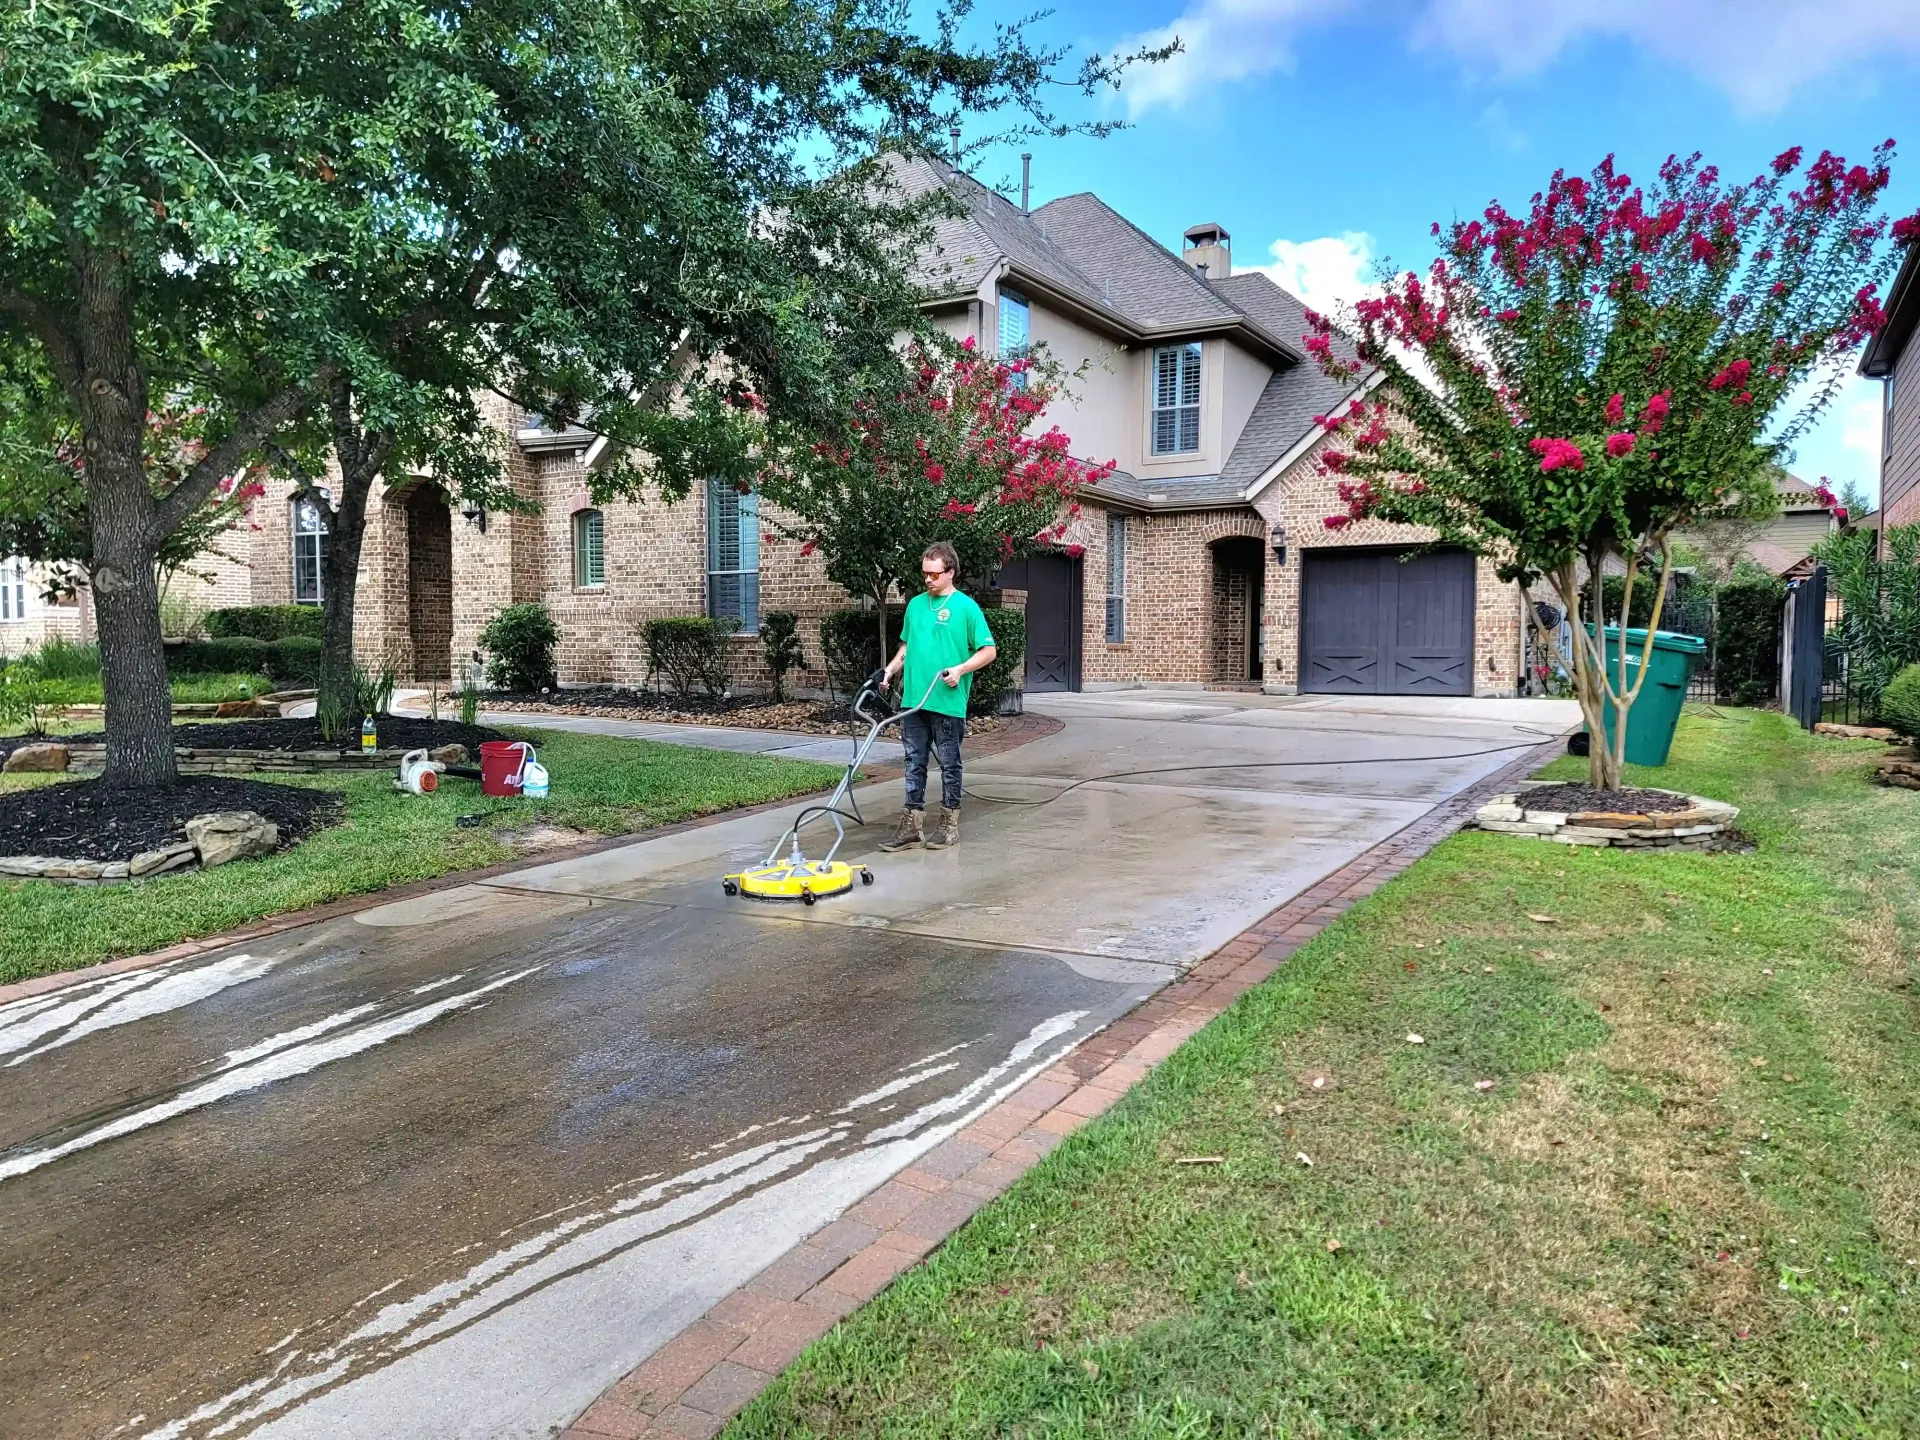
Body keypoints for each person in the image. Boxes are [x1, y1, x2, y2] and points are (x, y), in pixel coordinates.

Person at [878, 541, 997, 851]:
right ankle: (911, 826)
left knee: (949, 762)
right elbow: (907, 647)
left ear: (950, 572)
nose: (928, 580)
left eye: (934, 575)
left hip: (946, 699)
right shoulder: (916, 605)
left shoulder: (966, 608)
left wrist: (960, 670)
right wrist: (889, 672)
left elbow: (989, 650)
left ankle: (948, 825)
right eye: (925, 575)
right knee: (913, 761)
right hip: (913, 699)